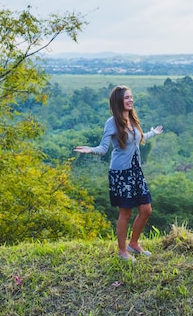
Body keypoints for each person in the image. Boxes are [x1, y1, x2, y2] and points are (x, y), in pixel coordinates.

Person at [74, 85, 163, 262]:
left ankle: (134, 244)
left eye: (131, 97)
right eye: (126, 98)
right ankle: (122, 251)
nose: (130, 100)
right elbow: (103, 148)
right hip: (121, 173)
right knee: (126, 213)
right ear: (118, 102)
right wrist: (90, 150)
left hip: (136, 171)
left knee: (146, 209)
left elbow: (138, 139)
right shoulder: (112, 122)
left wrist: (153, 133)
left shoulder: (132, 118)